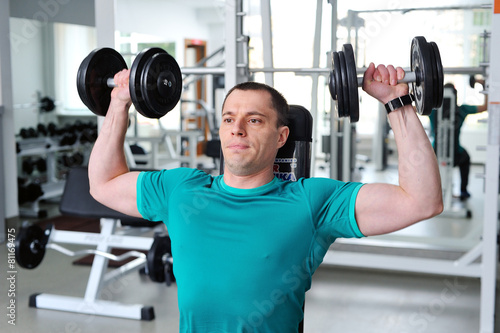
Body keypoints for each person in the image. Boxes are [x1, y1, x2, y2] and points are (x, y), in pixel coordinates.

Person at [88, 63, 443, 332]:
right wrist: (119, 103)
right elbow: (103, 183)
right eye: (229, 119)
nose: (237, 129)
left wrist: (397, 101)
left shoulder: (312, 202)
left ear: (280, 136)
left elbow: (421, 200)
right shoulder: (181, 190)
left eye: (254, 120)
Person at [429, 80, 488, 200]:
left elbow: (412, 107)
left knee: (426, 159)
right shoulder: (462, 110)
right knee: (466, 158)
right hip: (456, 155)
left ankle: (430, 191)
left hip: (435, 155)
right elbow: (485, 107)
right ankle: (463, 191)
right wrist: (484, 84)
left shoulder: (432, 110)